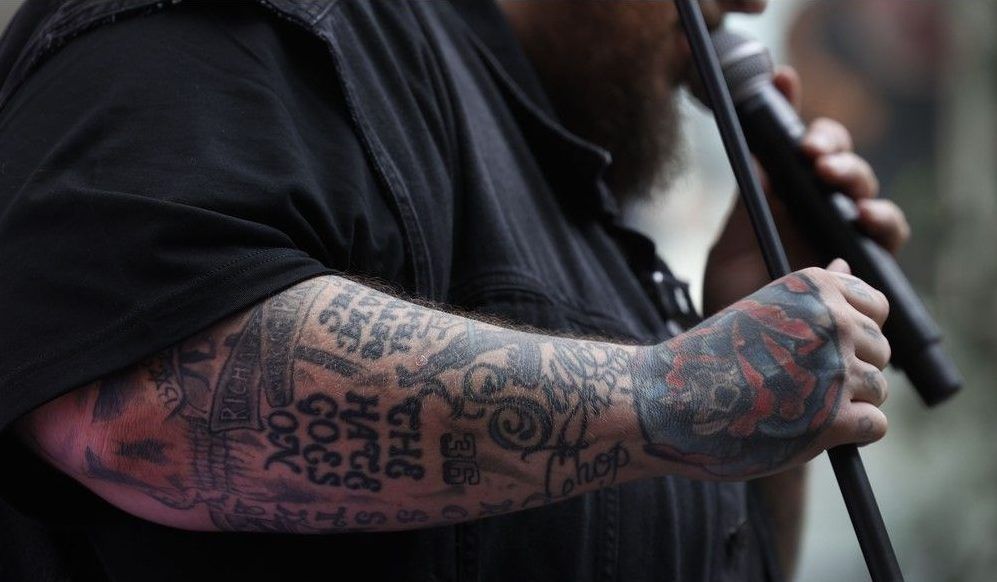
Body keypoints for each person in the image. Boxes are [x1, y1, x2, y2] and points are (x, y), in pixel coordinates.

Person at [0, 1, 909, 581]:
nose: (748, 6)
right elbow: (126, 403)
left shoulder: (563, 186)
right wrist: (680, 395)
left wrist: (742, 312)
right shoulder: (302, 26)